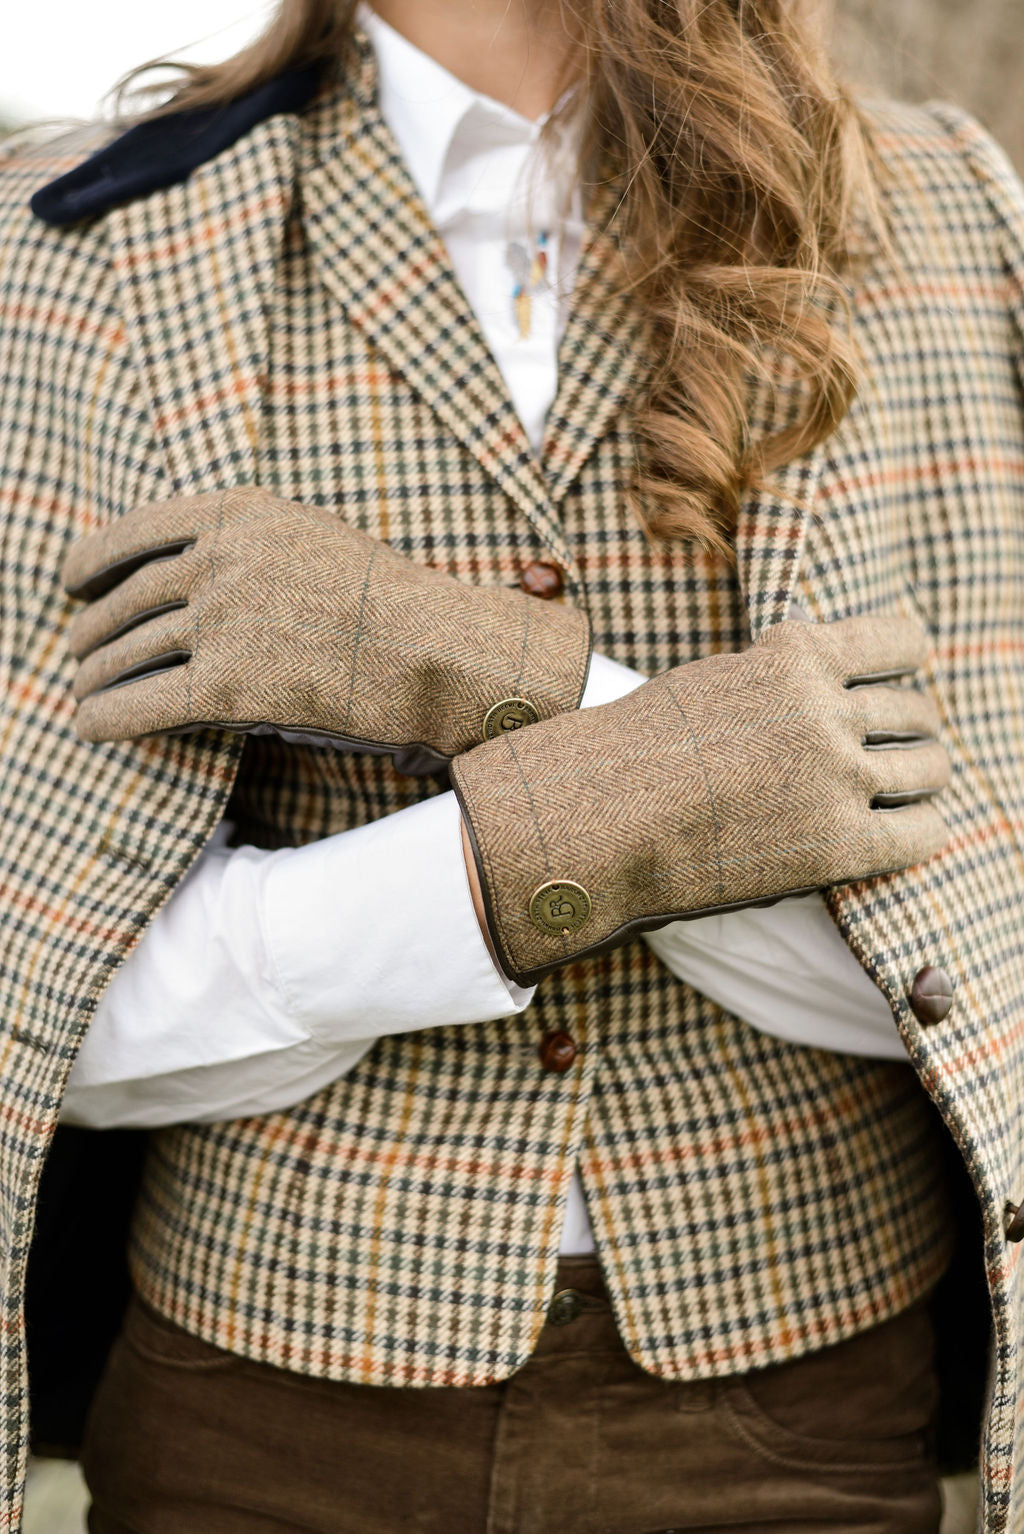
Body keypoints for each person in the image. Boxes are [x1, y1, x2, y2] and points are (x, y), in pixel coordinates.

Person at [1, 0, 1023, 1529]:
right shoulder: (99, 244)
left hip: (796, 1413)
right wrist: (621, 804)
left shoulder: (942, 218)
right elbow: (49, 1012)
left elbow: (976, 963)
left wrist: (457, 659)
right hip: (262, 1416)